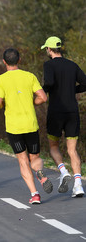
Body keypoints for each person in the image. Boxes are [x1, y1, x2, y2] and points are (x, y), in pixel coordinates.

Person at [0, 48, 53, 204]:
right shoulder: (29, 76)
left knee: (22, 160)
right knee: (35, 157)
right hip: (31, 124)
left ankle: (35, 194)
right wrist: (31, 102)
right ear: (19, 60)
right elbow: (43, 97)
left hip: (14, 126)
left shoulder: (1, 80)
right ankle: (40, 173)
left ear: (4, 62)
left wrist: (4, 106)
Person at [41, 36, 86, 198]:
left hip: (56, 110)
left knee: (53, 146)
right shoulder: (72, 65)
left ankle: (63, 171)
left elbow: (50, 82)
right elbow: (85, 82)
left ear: (49, 49)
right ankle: (78, 185)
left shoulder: (49, 64)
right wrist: (72, 90)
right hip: (72, 111)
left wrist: (42, 90)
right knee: (72, 150)